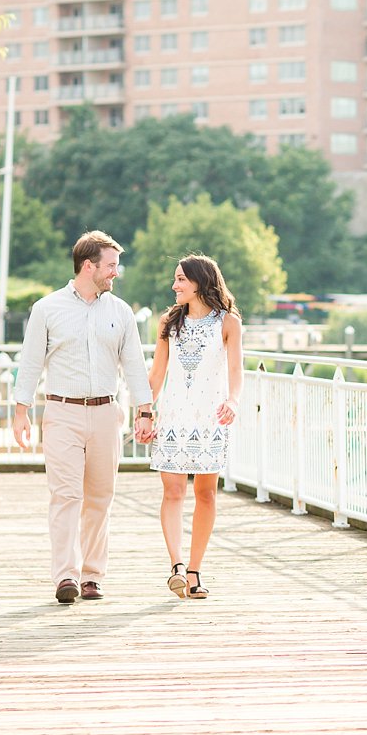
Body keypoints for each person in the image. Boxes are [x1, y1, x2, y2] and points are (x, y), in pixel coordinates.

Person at [12, 231, 155, 604]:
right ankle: (65, 576)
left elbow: (135, 367)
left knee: (100, 497)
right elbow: (30, 363)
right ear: (88, 266)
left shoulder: (121, 312)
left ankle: (92, 575)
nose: (115, 274)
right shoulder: (47, 309)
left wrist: (145, 410)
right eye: (111, 266)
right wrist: (20, 411)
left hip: (107, 413)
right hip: (61, 412)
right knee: (65, 495)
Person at [142, 255, 243, 599]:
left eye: (181, 279)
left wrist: (233, 401)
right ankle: (177, 566)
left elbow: (236, 374)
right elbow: (156, 375)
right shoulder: (169, 322)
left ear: (200, 281)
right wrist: (144, 412)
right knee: (172, 492)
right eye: (175, 279)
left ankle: (196, 570)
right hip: (173, 417)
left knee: (206, 493)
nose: (175, 286)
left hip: (209, 418)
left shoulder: (228, 323)